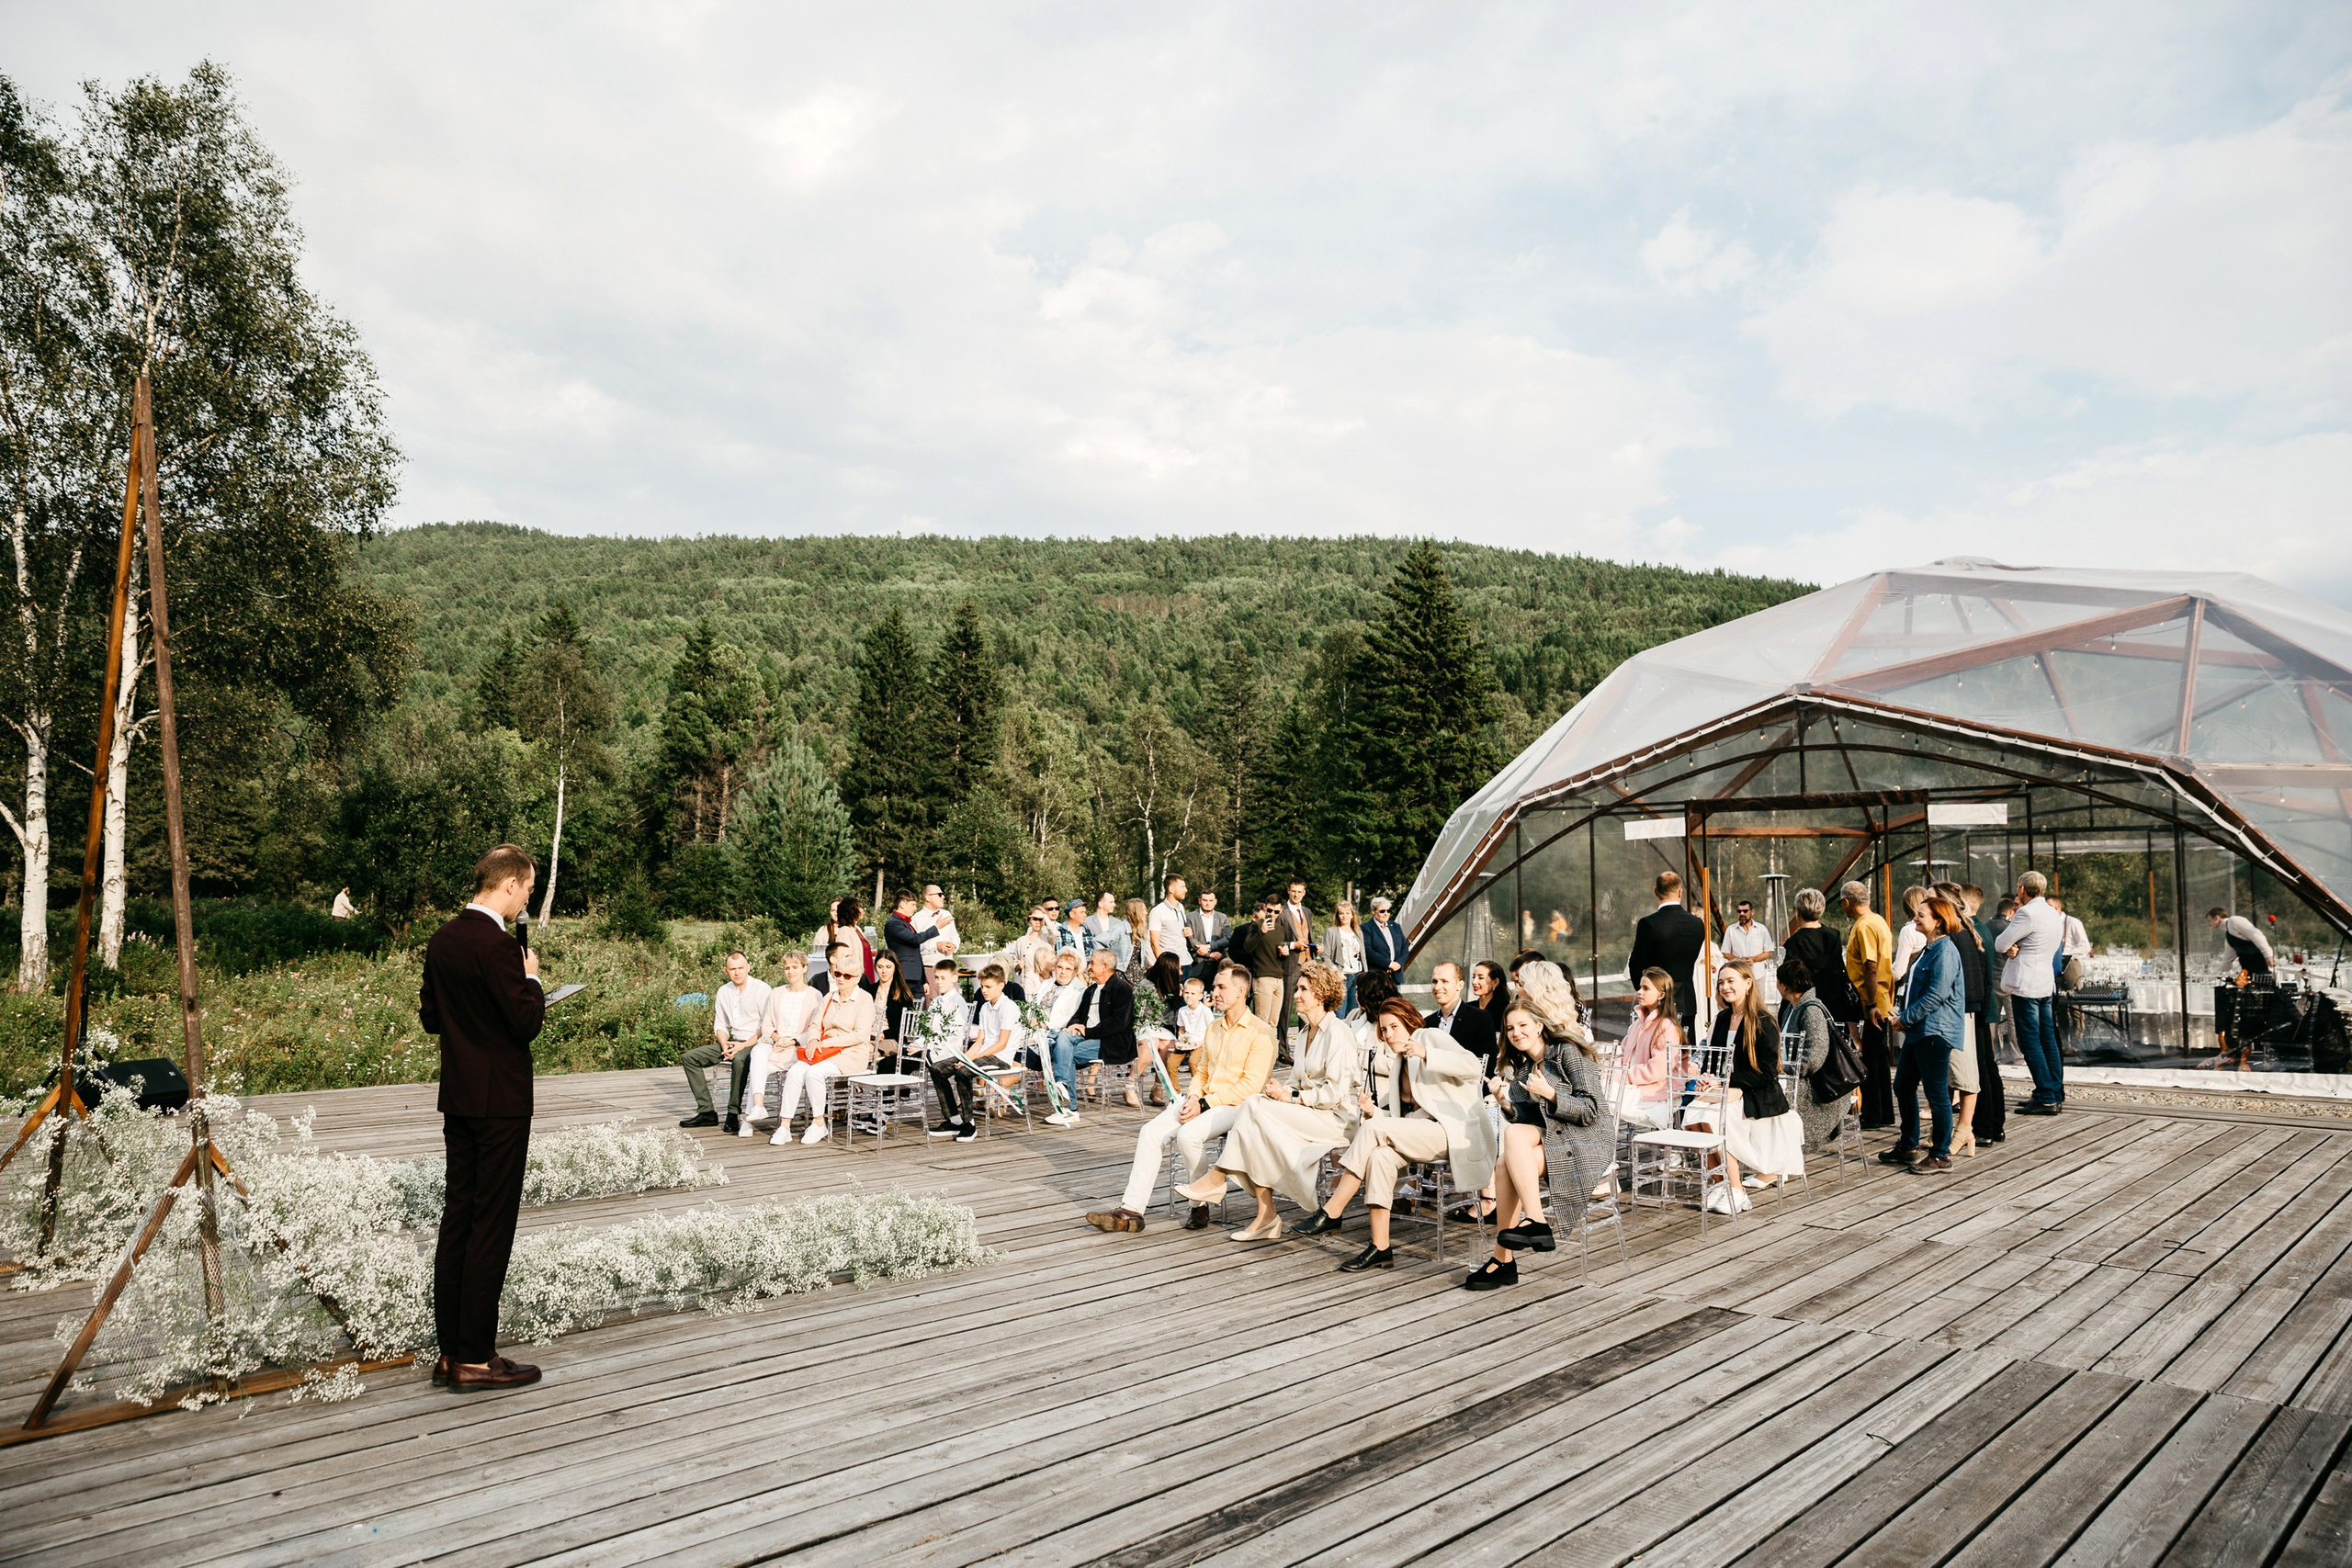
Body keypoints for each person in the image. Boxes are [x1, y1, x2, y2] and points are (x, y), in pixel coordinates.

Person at [418, 843, 547, 1390]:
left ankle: (450, 1350)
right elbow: (524, 1023)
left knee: (458, 1219)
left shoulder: (443, 939)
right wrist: (533, 981)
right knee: (491, 1225)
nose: (526, 904)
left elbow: (430, 1017)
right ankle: (475, 1355)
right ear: (510, 884)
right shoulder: (498, 947)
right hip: (501, 1103)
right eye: (528, 892)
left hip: (461, 1097)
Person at [1292, 997, 1498, 1271]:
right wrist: (1373, 1112)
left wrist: (1426, 1053)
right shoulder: (1399, 1062)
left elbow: (1473, 1066)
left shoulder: (1430, 1036)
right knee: (1379, 1157)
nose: (1389, 1035)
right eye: (1384, 1030)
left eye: (1394, 1027)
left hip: (1453, 1131)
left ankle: (1332, 1210)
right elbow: (1403, 1121)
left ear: (1409, 1022)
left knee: (1374, 1132)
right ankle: (1381, 1247)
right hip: (1423, 1133)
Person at [1085, 963, 1276, 1234]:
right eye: (1215, 987)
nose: (1216, 992)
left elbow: (1251, 1086)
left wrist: (1204, 1104)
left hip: (1239, 1106)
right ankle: (1131, 1210)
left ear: (1241, 990)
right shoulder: (1214, 1028)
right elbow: (1203, 1071)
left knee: (1189, 1135)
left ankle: (1199, 1204)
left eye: (1222, 987)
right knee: (1150, 1131)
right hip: (1204, 1099)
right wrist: (1194, 1096)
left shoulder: (1261, 1031)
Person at [1182, 961, 1363, 1240]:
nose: (1296, 994)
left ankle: (1221, 1178)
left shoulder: (1338, 1033)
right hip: (1310, 1112)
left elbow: (1334, 1095)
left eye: (1303, 989)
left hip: (1336, 1120)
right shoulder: (1304, 1033)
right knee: (1256, 1110)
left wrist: (1292, 1097)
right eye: (1298, 988)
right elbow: (1295, 1080)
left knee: (1253, 1109)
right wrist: (1279, 1090)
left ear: (1322, 993)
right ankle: (1264, 1213)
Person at [1467, 964, 1613, 1290]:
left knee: (1508, 1160)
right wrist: (1506, 1102)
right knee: (1508, 1155)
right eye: (1510, 1028)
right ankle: (1509, 1252)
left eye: (1522, 1025)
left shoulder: (1567, 1052)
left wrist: (1550, 1093)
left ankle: (1517, 1242)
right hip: (1554, 1137)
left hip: (1586, 1139)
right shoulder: (1522, 1068)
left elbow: (1592, 1111)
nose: (1516, 1033)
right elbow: (1528, 1120)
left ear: (1539, 1026)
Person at [1679, 960, 1799, 1213]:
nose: (1724, 986)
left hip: (1758, 1094)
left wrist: (1732, 1085)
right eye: (1721, 982)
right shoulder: (1722, 1019)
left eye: (1730, 981)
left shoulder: (1763, 1021)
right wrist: (1708, 1078)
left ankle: (1737, 1190)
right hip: (1726, 1090)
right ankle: (1720, 1185)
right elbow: (1717, 1061)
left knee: (1714, 1117)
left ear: (1747, 984)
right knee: (1694, 1112)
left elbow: (1768, 1073)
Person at [1882, 897, 1965, 1171]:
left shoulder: (1946, 951)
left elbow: (1937, 995)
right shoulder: (1929, 949)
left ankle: (1941, 1154)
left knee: (1937, 1094)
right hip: (1920, 1030)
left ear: (1938, 921)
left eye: (1921, 916)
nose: (1915, 920)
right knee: (1903, 1085)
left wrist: (1905, 1018)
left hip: (1936, 1031)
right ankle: (1908, 1145)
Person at [771, 943, 876, 1145]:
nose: (841, 979)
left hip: (851, 1054)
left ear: (857, 978)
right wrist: (813, 1040)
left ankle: (819, 1123)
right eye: (838, 974)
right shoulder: (829, 997)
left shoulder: (864, 999)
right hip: (824, 1050)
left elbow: (860, 1036)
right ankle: (784, 1126)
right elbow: (815, 1024)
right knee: (795, 1071)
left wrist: (827, 1043)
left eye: (848, 976)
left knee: (814, 1073)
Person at [681, 950, 771, 1133]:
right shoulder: (724, 991)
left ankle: (733, 1113)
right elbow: (720, 1024)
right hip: (731, 1041)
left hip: (755, 1043)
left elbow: (767, 1025)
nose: (737, 972)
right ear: (726, 971)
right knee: (690, 1058)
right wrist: (724, 1044)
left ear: (748, 968)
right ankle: (706, 1111)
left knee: (739, 1060)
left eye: (741, 968)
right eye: (732, 969)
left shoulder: (762, 989)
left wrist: (742, 1046)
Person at [1997, 871, 2065, 1115]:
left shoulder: (2026, 913)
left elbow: (2000, 943)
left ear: (2022, 889)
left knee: (2030, 1040)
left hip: (2027, 984)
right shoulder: (2051, 912)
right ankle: (2054, 1091)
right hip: (2045, 981)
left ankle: (2046, 1095)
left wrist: (2013, 948)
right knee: (2047, 1039)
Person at [1936, 882, 1986, 1156]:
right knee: (1950, 1073)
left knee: (1963, 1072)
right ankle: (1950, 1131)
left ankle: (1965, 1129)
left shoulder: (1956, 934)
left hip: (1957, 1010)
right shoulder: (1959, 930)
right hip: (1960, 1008)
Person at [741, 953, 820, 1130]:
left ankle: (747, 1121)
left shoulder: (814, 995)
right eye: (787, 968)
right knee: (758, 1053)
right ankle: (759, 1106)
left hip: (797, 1050)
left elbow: (814, 1028)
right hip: (776, 1047)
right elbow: (767, 1024)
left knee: (757, 1071)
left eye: (795, 967)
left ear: (804, 968)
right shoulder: (777, 992)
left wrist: (792, 1041)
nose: (790, 971)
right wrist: (778, 1038)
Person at [1775, 957, 1844, 1156]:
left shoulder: (1811, 1009)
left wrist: (1784, 1068)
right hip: (1792, 1076)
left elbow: (1815, 1056)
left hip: (1814, 1083)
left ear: (1785, 985)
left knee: (1766, 1096)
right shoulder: (1792, 1007)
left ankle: (1779, 1155)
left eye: (1778, 982)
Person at [1842, 881, 1896, 1128]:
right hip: (1883, 998)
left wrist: (1871, 1002)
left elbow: (1870, 965)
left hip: (1870, 1001)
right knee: (1880, 1059)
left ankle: (1873, 1114)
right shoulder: (1879, 921)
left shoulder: (1863, 927)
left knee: (1870, 1059)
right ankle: (1885, 1112)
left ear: (1847, 902)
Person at [1629, 871, 1706, 1040]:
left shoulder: (1648, 924)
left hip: (1657, 1003)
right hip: (1686, 1000)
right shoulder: (1697, 925)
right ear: (1680, 893)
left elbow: (1635, 964)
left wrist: (1645, 991)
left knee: (1656, 1053)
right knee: (1684, 1055)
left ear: (1655, 891)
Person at [1961, 884, 2005, 1146]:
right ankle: (1995, 1124)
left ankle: (1985, 1126)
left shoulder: (1972, 931)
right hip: (1986, 1005)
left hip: (1977, 1006)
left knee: (1980, 1068)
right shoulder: (1985, 929)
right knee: (1988, 1064)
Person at [1068, 947, 1138, 1110]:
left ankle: (1068, 1105)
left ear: (1105, 966)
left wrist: (1088, 1032)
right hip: (1086, 1037)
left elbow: (1118, 1022)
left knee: (1067, 1054)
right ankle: (1064, 1098)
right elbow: (1078, 1015)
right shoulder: (1090, 990)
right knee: (1060, 1046)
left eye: (1092, 963)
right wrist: (1073, 1027)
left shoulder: (1122, 988)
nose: (1089, 967)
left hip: (1112, 1042)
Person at [1619, 968, 1687, 1129]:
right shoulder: (1637, 1024)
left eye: (1646, 988)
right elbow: (1623, 1056)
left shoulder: (1666, 1026)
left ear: (1661, 995)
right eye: (1640, 987)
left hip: (1657, 1092)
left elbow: (1657, 1071)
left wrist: (1623, 1076)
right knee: (1596, 1089)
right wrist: (1608, 1072)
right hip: (1635, 1084)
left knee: (1600, 1097)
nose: (1639, 992)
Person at [919, 961, 979, 1141]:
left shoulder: (957, 1001)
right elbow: (928, 1029)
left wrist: (930, 1047)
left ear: (954, 978)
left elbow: (956, 1033)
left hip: (950, 1050)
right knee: (911, 1056)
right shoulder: (936, 1001)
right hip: (934, 1047)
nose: (938, 981)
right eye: (936, 977)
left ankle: (961, 1120)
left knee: (934, 1066)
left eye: (943, 978)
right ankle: (953, 1118)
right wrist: (921, 1043)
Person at [1035, 948, 1091, 1122]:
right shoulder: (1047, 984)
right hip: (1036, 1032)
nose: (1063, 972)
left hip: (1058, 1033)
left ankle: (1065, 1098)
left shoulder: (1079, 990)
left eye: (1068, 969)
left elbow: (1070, 1019)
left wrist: (1045, 1025)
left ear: (1075, 972)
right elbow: (1033, 1006)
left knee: (1064, 1048)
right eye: (1060, 967)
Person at [1424, 961, 1498, 1069]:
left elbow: (1487, 1064)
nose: (1437, 987)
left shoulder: (1480, 1019)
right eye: (1434, 981)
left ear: (1460, 985)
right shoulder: (1427, 1023)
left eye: (1445, 981)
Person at [1275, 879, 1317, 1053]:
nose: (1296, 894)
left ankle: (1304, 1048)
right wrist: (1293, 945)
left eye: (1299, 891)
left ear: (1304, 892)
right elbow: (1276, 940)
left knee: (1306, 1008)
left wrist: (1315, 948)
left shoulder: (1306, 912)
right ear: (1288, 891)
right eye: (1293, 891)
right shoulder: (1281, 913)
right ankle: (1283, 1051)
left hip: (1307, 965)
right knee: (1285, 1010)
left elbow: (1308, 936)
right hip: (1289, 965)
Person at [1232, 899, 1288, 1030]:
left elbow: (1277, 955)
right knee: (1261, 1022)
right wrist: (1261, 932)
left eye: (1276, 911)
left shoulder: (1281, 929)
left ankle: (1270, 1050)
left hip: (1279, 978)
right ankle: (1257, 1049)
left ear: (1280, 912)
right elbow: (1247, 947)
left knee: (1273, 1022)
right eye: (1269, 910)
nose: (1272, 914)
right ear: (1265, 908)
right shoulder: (1256, 926)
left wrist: (1284, 953)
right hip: (1263, 977)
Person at [865, 952, 922, 1077]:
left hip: (892, 1039)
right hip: (867, 1036)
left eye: (888, 967)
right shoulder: (869, 990)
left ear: (895, 967)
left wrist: (883, 1034)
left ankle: (859, 1084)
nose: (884, 971)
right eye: (880, 967)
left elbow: (905, 1027)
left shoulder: (903, 994)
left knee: (865, 1050)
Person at [1720, 898, 1777, 1004]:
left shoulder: (1761, 929)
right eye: (1739, 911)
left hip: (1758, 975)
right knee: (1740, 1004)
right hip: (1738, 976)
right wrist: (1739, 960)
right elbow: (1725, 952)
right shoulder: (1731, 930)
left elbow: (1769, 951)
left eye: (1745, 911)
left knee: (1758, 1005)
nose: (1742, 914)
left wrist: (1753, 959)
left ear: (1752, 912)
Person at [1325, 900, 1366, 1017]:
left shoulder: (1357, 932)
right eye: (1341, 913)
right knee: (1340, 1014)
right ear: (1338, 915)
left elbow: (1363, 955)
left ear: (1352, 915)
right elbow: (1326, 957)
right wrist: (1336, 972)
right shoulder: (1332, 932)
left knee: (1354, 1013)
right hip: (1341, 976)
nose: (1345, 916)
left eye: (1347, 913)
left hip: (1357, 975)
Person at [2211, 907, 2276, 979]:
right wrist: (2210, 977)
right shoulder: (2229, 936)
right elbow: (2227, 962)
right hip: (2249, 974)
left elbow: (2256, 935)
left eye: (2209, 921)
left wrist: (2268, 955)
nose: (2209, 924)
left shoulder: (2234, 921)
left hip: (2261, 969)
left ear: (2216, 918)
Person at [1468, 960, 1512, 1065]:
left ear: (1495, 982)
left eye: (1481, 977)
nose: (1474, 982)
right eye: (1474, 977)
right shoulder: (1468, 1008)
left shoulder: (1505, 1011)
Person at [1186, 890, 1231, 987]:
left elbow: (1227, 939)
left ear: (1215, 902)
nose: (1208, 903)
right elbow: (1189, 939)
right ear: (1199, 901)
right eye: (1205, 900)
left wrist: (1209, 947)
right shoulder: (1190, 917)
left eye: (1211, 900)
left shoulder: (1222, 917)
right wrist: (1208, 954)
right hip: (1197, 963)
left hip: (1218, 964)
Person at [1149, 876, 1193, 973]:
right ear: (1171, 889)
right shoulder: (1157, 911)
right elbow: (1154, 944)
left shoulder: (1181, 907)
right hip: (1170, 967)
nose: (1186, 890)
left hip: (1186, 963)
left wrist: (1188, 932)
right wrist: (1164, 966)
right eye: (1182, 887)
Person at [883, 890, 927, 982]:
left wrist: (924, 980)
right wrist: (936, 927)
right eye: (913, 904)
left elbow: (915, 952)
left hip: (916, 977)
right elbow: (915, 939)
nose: (915, 908)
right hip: (905, 975)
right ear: (902, 904)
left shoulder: (906, 924)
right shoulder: (894, 923)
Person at [1363, 897, 1411, 980]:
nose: (1386, 913)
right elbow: (1367, 951)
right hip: (1377, 976)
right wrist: (1388, 964)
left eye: (1388, 911)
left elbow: (1405, 947)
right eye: (1382, 911)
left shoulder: (1396, 927)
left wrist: (1398, 964)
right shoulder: (1365, 928)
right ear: (1373, 911)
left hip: (1396, 975)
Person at [1084, 892, 1132, 968]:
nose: (1114, 905)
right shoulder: (1086, 922)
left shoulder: (1118, 923)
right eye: (1111, 902)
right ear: (1100, 904)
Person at [1121, 897, 1155, 987]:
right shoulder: (1120, 929)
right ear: (1136, 912)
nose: (1146, 913)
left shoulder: (1142, 930)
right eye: (1143, 910)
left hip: (1138, 974)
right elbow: (1098, 941)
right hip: (1124, 975)